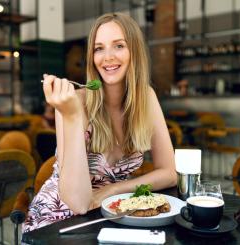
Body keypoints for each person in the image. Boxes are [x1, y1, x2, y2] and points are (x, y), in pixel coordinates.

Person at [22, 12, 177, 233]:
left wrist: (112, 190)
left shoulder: (147, 96)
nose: (107, 57)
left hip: (112, 212)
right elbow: (79, 203)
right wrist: (72, 116)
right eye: (99, 48)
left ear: (135, 51)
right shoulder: (76, 102)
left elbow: (170, 173)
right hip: (59, 220)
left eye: (119, 46)